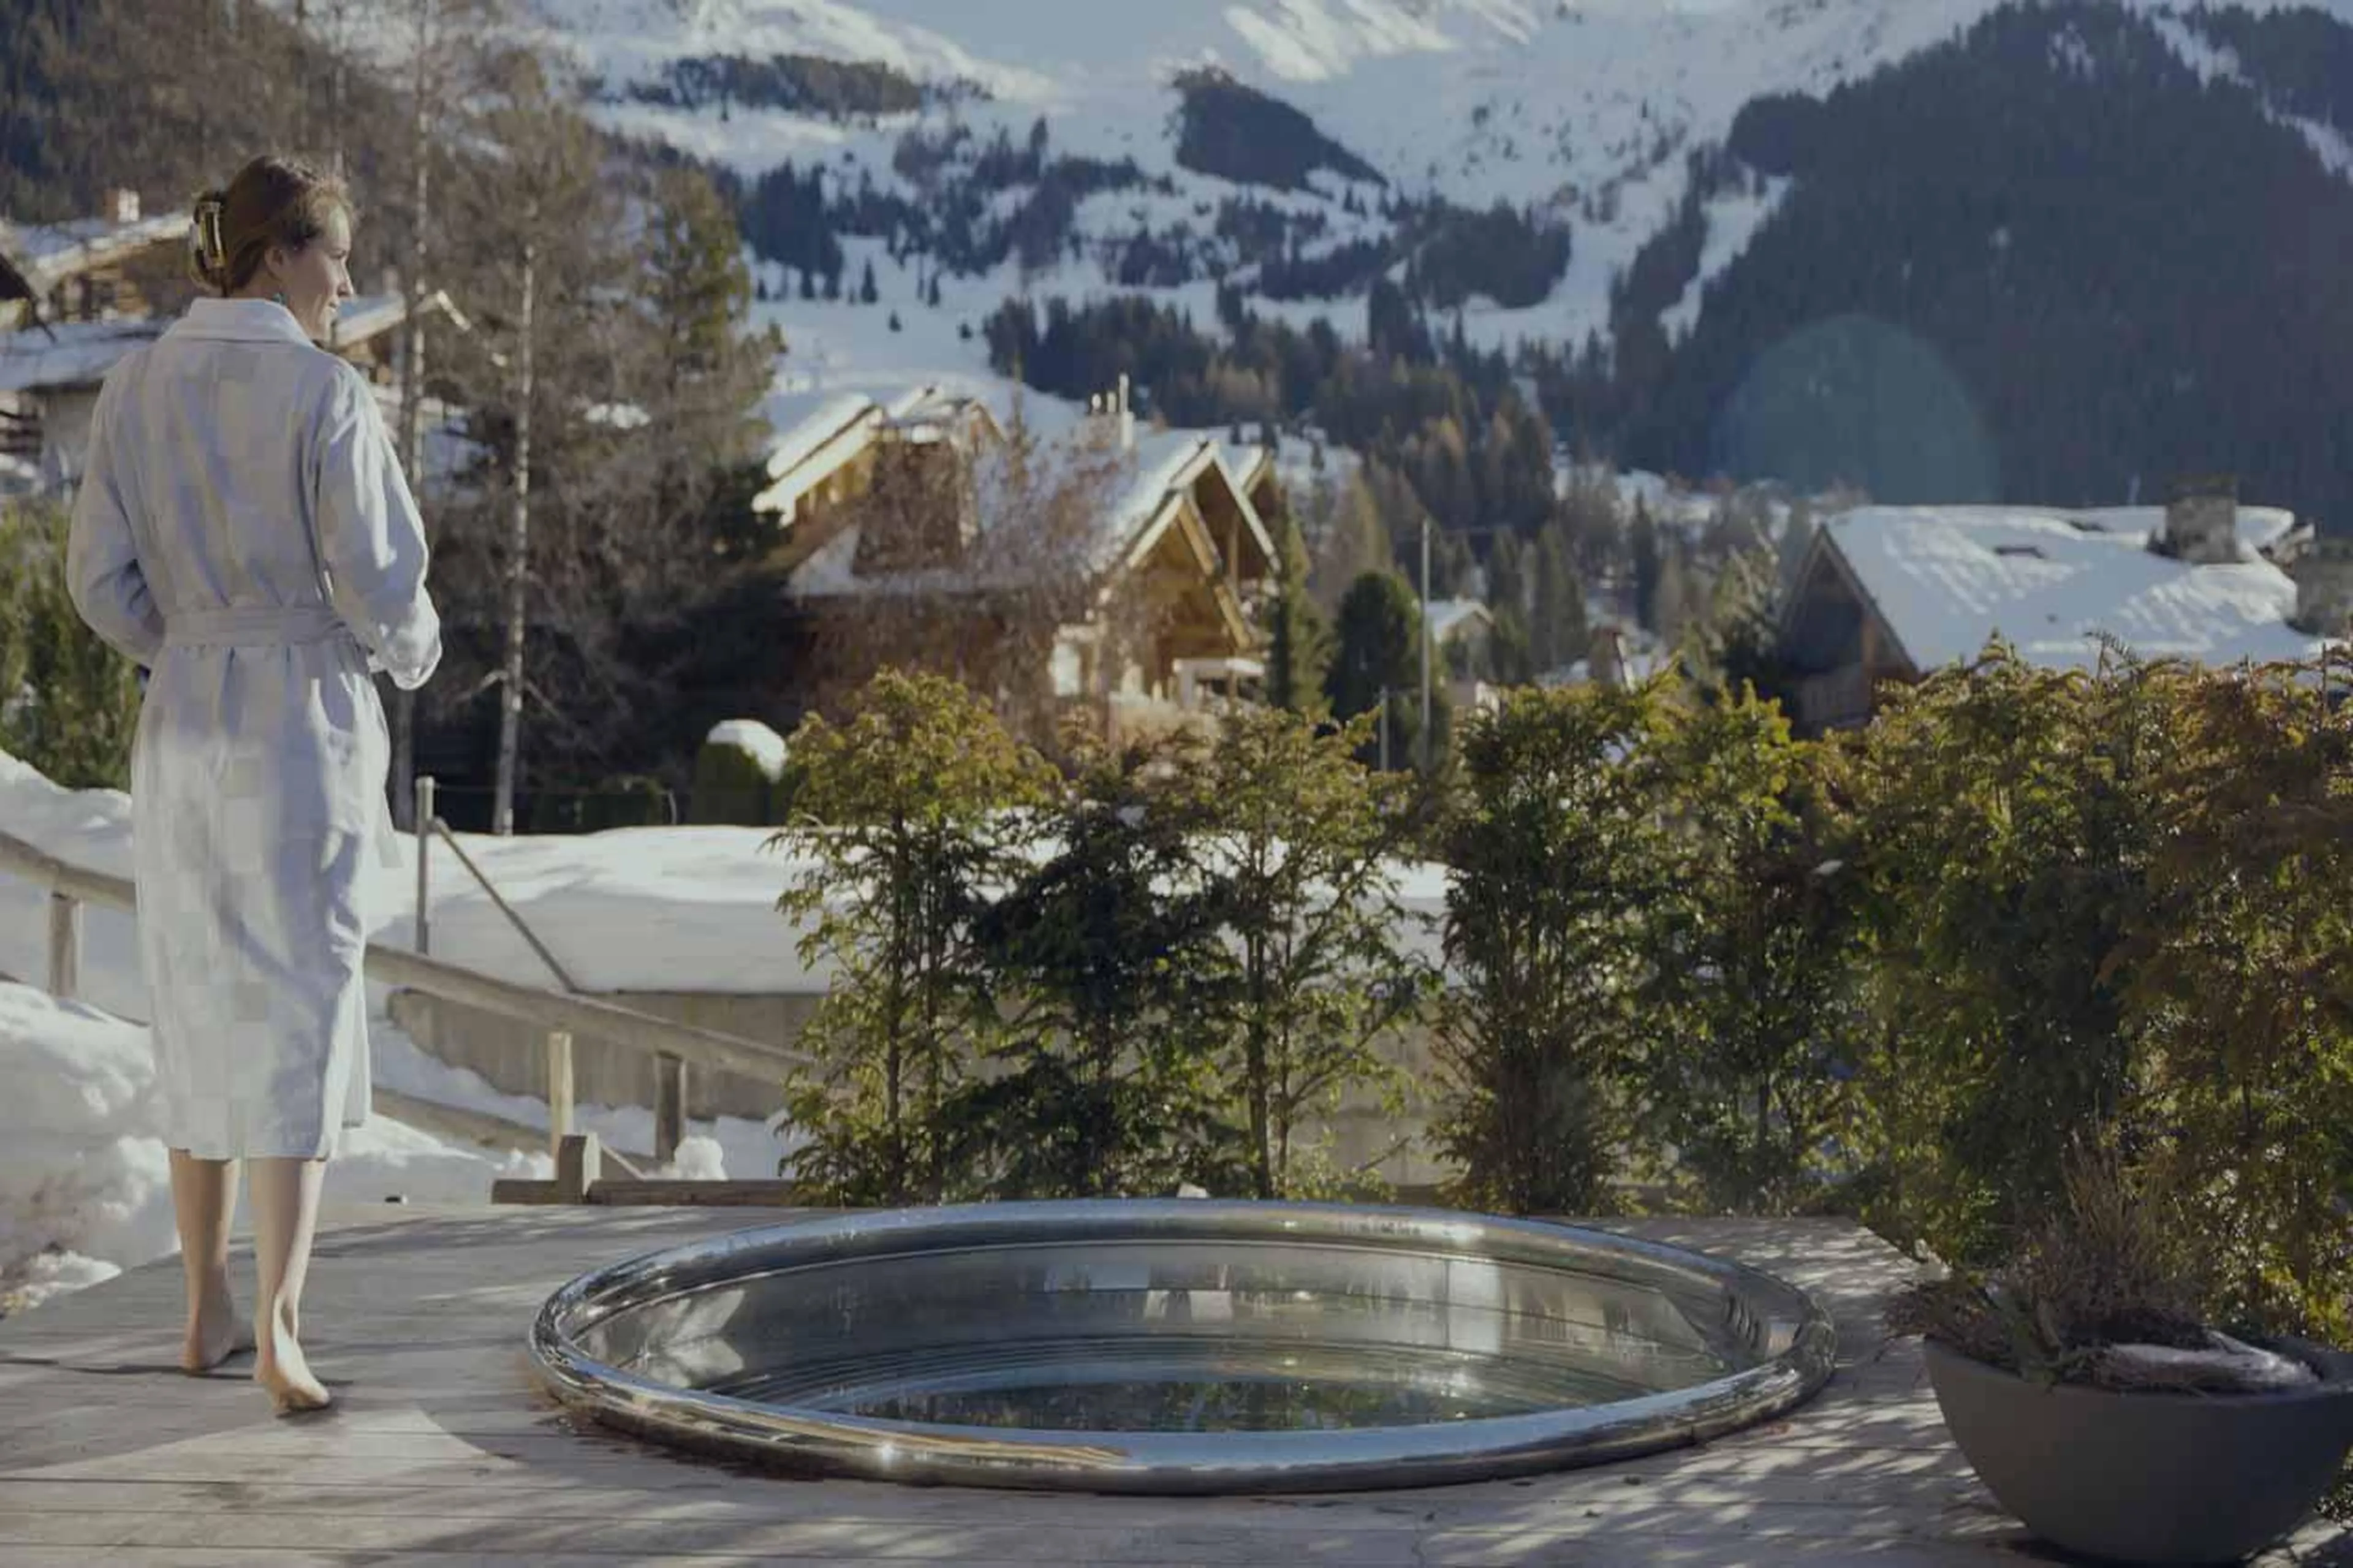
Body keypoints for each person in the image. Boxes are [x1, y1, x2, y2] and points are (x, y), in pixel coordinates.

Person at [66, 155, 442, 1415]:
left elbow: (95, 582)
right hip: (296, 720)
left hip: (182, 717)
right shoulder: (324, 393)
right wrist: (405, 652)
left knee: (197, 994)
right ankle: (280, 1323)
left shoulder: (132, 387)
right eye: (337, 257)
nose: (347, 284)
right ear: (280, 253)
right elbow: (380, 580)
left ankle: (203, 1306)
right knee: (299, 1003)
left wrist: (184, 643)